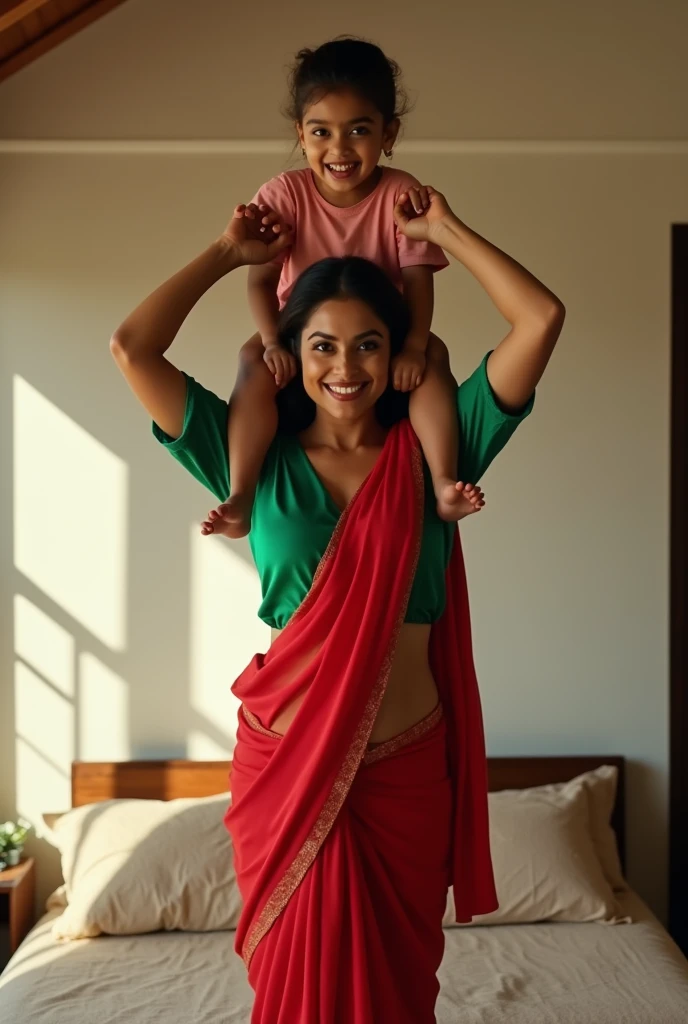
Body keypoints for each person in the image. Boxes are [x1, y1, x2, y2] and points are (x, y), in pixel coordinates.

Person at [110, 185, 564, 1023]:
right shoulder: (253, 458)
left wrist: (444, 232)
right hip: (287, 766)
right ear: (292, 348)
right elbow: (133, 348)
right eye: (322, 346)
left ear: (401, 352)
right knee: (296, 992)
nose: (345, 369)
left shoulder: (439, 453)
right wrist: (224, 253)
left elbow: (539, 318)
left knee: (394, 992)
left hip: (404, 778)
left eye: (367, 345)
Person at [206, 37, 481, 540]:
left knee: (436, 359)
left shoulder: (401, 192)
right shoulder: (282, 193)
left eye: (358, 130)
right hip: (299, 333)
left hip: (382, 334)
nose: (339, 148)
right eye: (321, 132)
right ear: (302, 135)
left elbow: (418, 281)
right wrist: (271, 342)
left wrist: (415, 345)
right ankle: (241, 494)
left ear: (388, 133)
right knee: (250, 362)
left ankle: (443, 480)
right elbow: (262, 280)